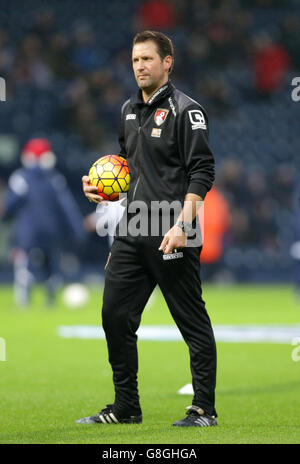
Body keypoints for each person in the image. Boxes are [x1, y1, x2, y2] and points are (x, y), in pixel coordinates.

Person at [78, 31, 217, 427]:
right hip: (134, 224)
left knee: (191, 320)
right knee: (114, 316)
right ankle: (126, 407)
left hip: (174, 225)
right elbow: (128, 164)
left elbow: (202, 170)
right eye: (135, 60)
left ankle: (204, 409)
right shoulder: (127, 110)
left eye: (147, 59)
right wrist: (101, 188)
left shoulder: (187, 110)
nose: (139, 66)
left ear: (167, 62)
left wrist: (182, 224)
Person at [1, 137, 86, 306]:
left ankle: (25, 301)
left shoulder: (21, 177)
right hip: (51, 232)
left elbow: (10, 205)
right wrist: (77, 229)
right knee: (51, 267)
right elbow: (67, 207)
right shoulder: (54, 179)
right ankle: (50, 299)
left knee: (25, 266)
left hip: (28, 233)